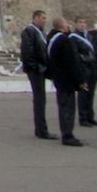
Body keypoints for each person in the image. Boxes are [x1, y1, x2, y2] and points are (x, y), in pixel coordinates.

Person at [47, 17, 86, 146]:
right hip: (66, 79)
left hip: (58, 77)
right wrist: (80, 79)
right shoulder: (63, 40)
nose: (68, 26)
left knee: (63, 107)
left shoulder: (51, 39)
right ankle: (68, 135)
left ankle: (66, 132)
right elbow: (71, 62)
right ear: (62, 26)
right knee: (68, 108)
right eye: (66, 24)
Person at [20, 9, 57, 140]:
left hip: (41, 68)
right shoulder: (29, 31)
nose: (44, 21)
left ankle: (41, 129)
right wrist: (34, 67)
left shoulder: (40, 32)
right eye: (42, 18)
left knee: (41, 100)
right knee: (39, 100)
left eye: (45, 18)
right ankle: (42, 130)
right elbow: (27, 51)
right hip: (36, 70)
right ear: (35, 18)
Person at [70, 16, 97, 127]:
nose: (82, 24)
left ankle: (90, 116)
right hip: (83, 67)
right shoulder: (73, 37)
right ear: (76, 24)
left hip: (92, 67)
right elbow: (75, 54)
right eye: (80, 22)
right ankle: (83, 118)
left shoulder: (89, 36)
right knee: (83, 94)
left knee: (91, 94)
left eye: (84, 22)